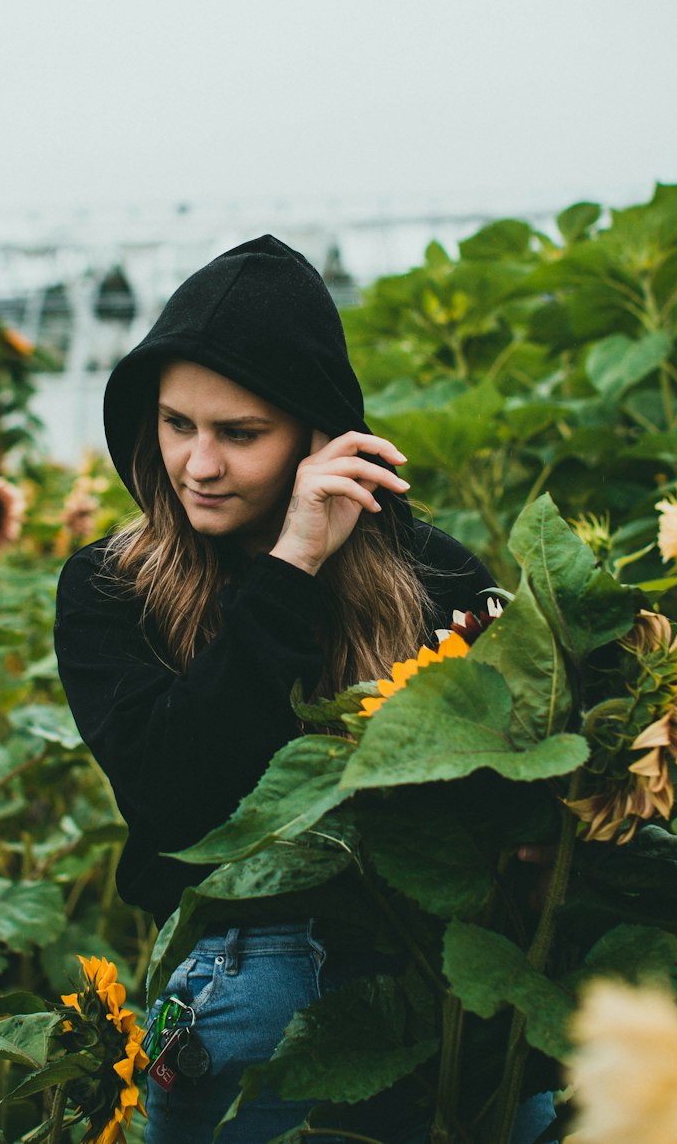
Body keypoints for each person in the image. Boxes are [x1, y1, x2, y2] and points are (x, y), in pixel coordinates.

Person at [54, 236, 555, 1144]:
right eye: (176, 424)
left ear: (319, 434)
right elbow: (177, 801)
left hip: (451, 984)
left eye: (239, 434)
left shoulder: (431, 574)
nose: (197, 466)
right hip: (254, 971)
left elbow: (525, 771)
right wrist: (290, 566)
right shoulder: (111, 588)